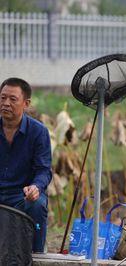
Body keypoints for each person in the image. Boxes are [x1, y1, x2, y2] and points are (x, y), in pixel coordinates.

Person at [0, 77, 52, 253]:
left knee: (37, 204)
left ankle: (37, 255)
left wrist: (36, 187)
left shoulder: (39, 132)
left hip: (21, 196)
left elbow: (44, 169)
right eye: (2, 98)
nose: (6, 103)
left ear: (26, 103)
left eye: (12, 99)